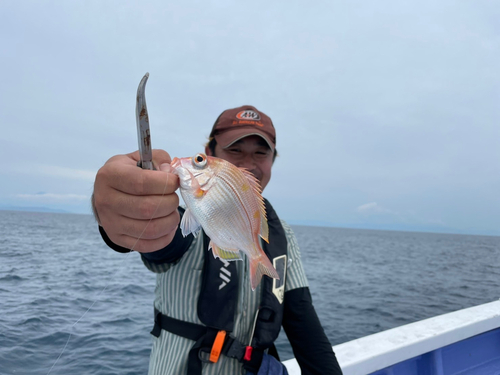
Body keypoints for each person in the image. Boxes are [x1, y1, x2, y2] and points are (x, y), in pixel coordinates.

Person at [92, 105, 343, 375]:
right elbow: (159, 240)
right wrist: (121, 212)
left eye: (261, 152)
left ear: (272, 160)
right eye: (235, 150)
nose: (248, 163)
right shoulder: (185, 215)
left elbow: (303, 321)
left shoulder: (282, 233)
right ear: (210, 153)